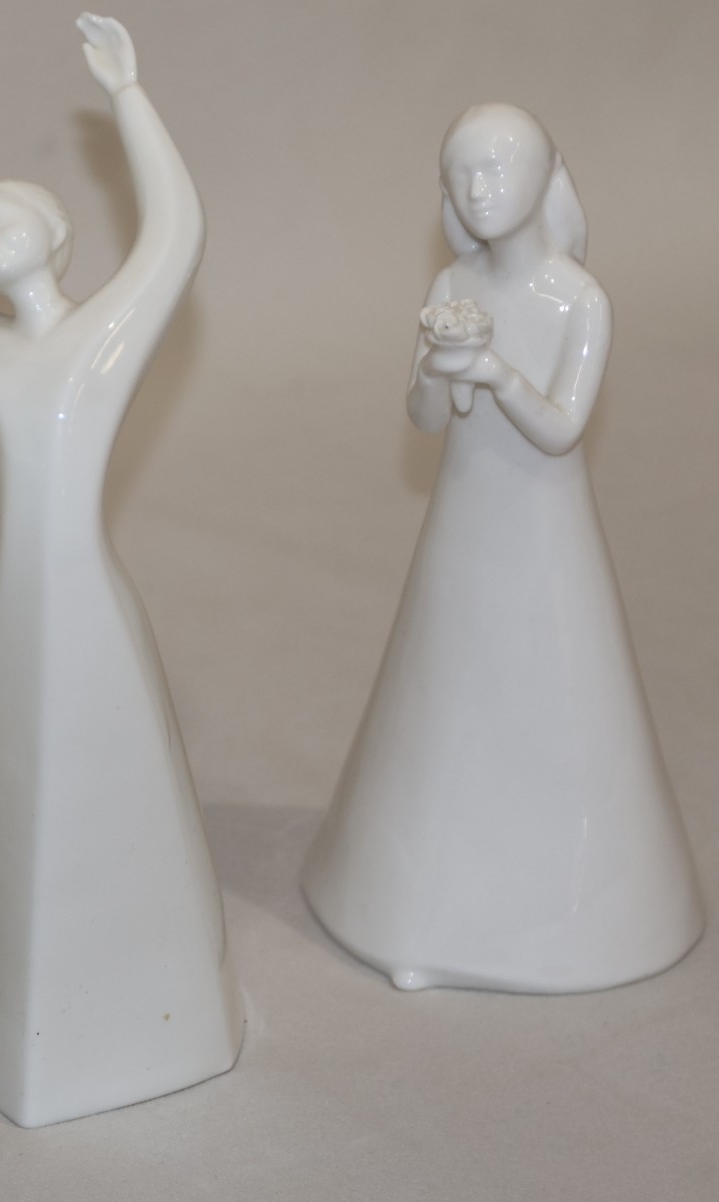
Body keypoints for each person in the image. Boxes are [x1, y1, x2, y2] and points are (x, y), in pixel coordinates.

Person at [0, 14, 244, 1129]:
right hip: (18, 610)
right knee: (14, 785)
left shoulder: (102, 337)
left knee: (106, 783)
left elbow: (175, 231)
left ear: (57, 239)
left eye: (2, 220)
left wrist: (129, 96)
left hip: (85, 600)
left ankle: (143, 1010)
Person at [303, 104, 704, 993]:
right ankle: (414, 909)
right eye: (460, 174)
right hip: (464, 520)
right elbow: (422, 417)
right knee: (447, 681)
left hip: (544, 528)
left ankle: (587, 916)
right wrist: (438, 372)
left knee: (550, 683)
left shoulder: (579, 300)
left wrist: (495, 373)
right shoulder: (451, 282)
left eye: (496, 169)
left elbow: (561, 430)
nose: (478, 189)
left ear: (542, 178)